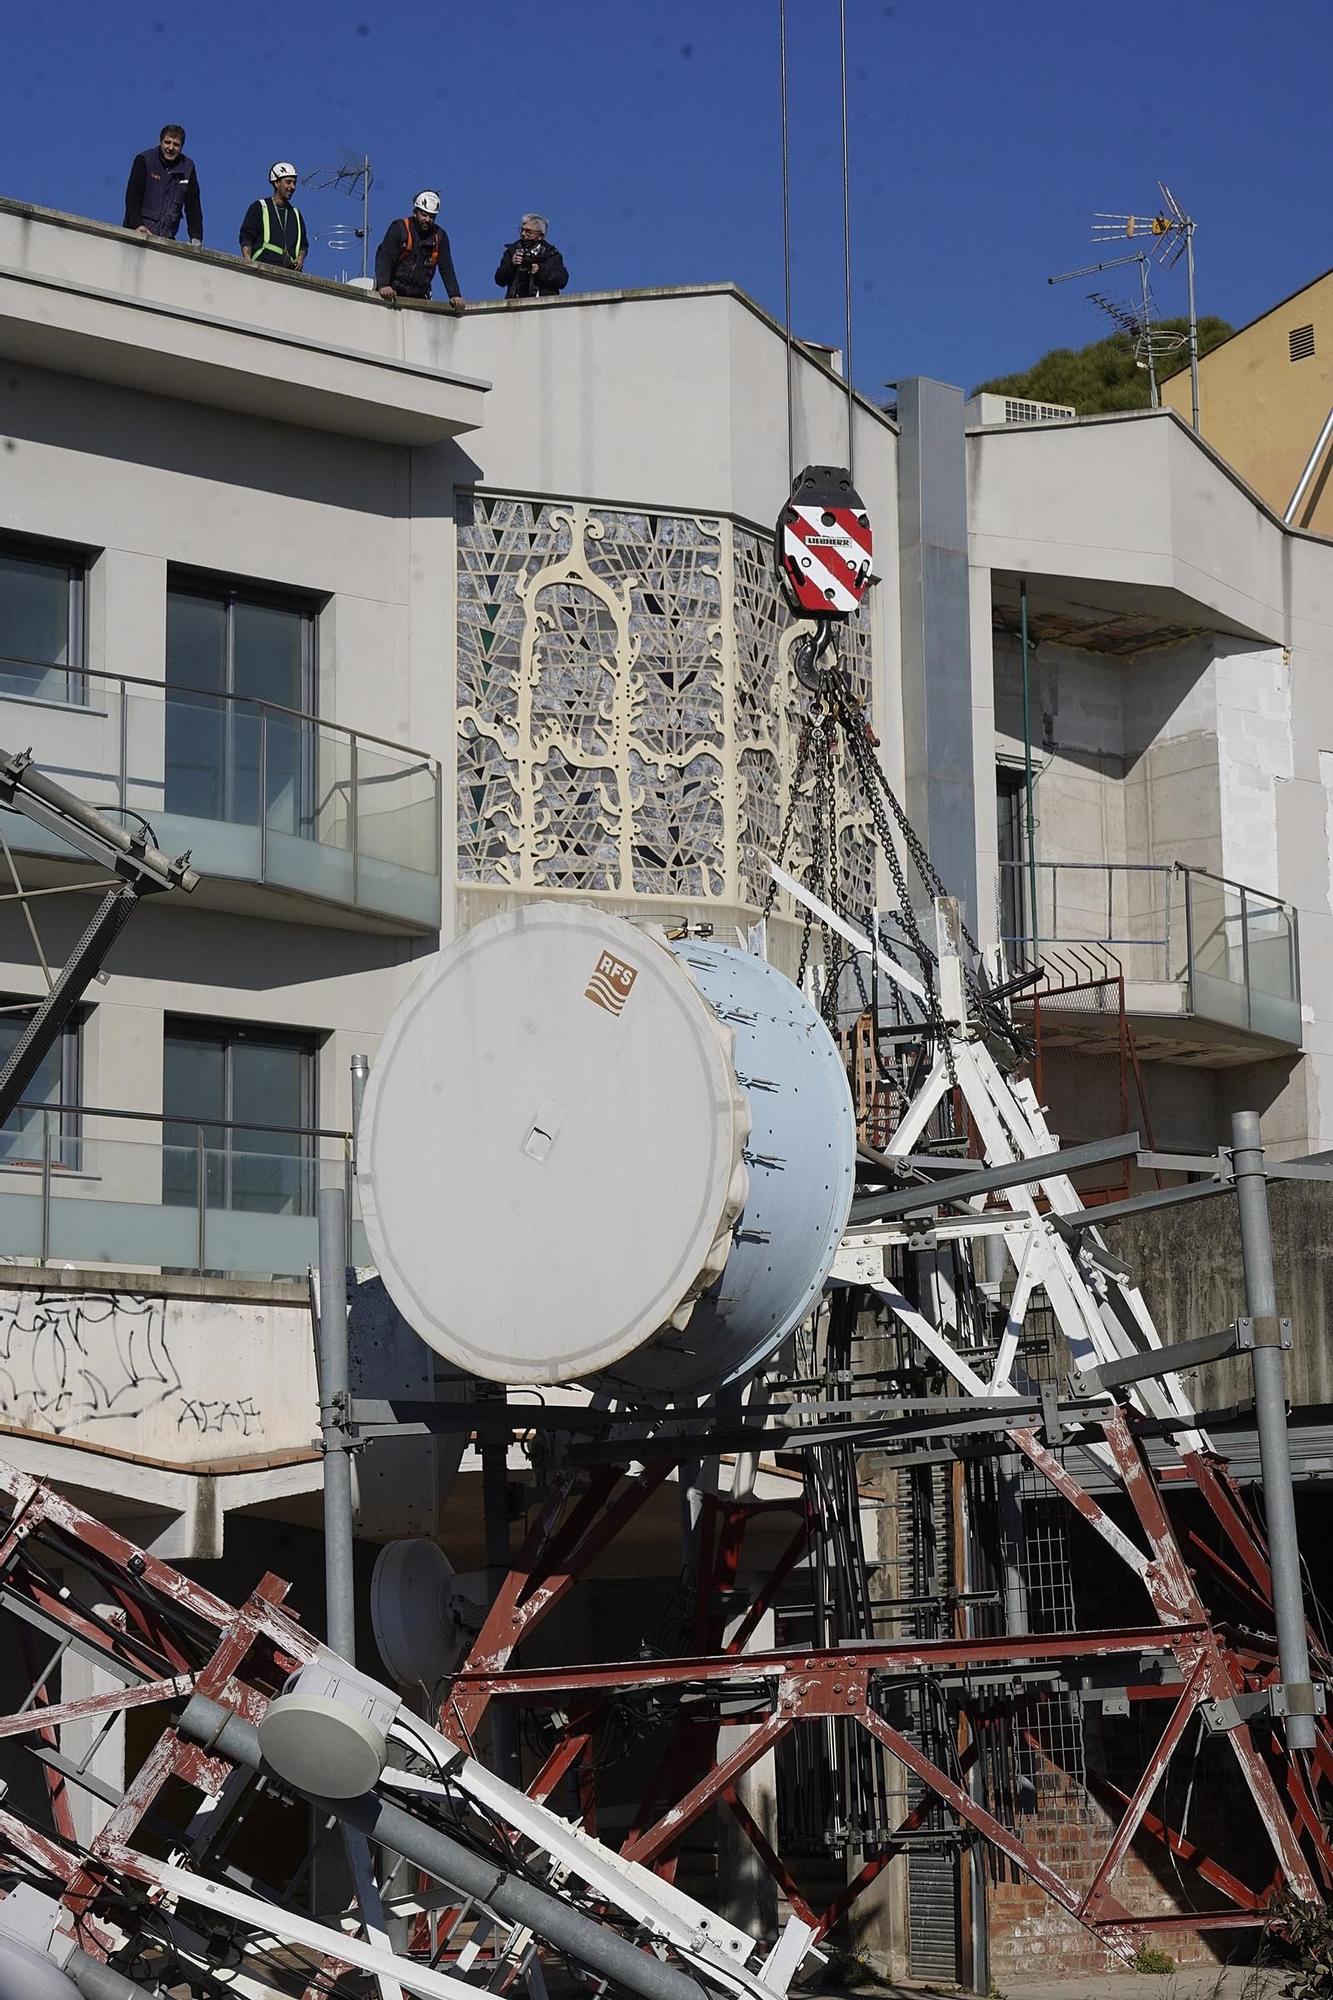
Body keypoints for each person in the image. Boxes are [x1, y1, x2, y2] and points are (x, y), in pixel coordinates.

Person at [375, 192, 463, 309]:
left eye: (432, 216)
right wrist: (383, 285)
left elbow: (446, 267)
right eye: (424, 215)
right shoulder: (399, 228)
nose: (427, 219)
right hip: (393, 292)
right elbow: (385, 257)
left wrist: (454, 294)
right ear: (415, 212)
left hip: (419, 295)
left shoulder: (439, 237)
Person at [123, 124, 203, 246]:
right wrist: (137, 225)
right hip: (138, 234)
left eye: (176, 144)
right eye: (167, 142)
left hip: (166, 238)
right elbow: (132, 197)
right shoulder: (144, 160)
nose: (171, 148)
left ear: (181, 147)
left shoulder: (188, 168)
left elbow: (193, 206)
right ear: (161, 142)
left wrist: (196, 237)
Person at [239, 164, 307, 270]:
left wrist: (300, 258)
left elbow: (303, 244)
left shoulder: (295, 214)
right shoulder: (260, 207)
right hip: (263, 269)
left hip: (290, 273)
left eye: (294, 183)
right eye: (288, 182)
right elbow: (246, 236)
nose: (292, 187)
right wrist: (248, 261)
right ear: (276, 183)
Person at [494, 214, 568, 301]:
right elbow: (499, 280)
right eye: (522, 230)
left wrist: (540, 271)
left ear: (540, 236)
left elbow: (561, 280)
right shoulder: (512, 252)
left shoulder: (551, 255)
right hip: (516, 304)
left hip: (543, 305)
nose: (523, 234)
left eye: (528, 231)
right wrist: (512, 264)